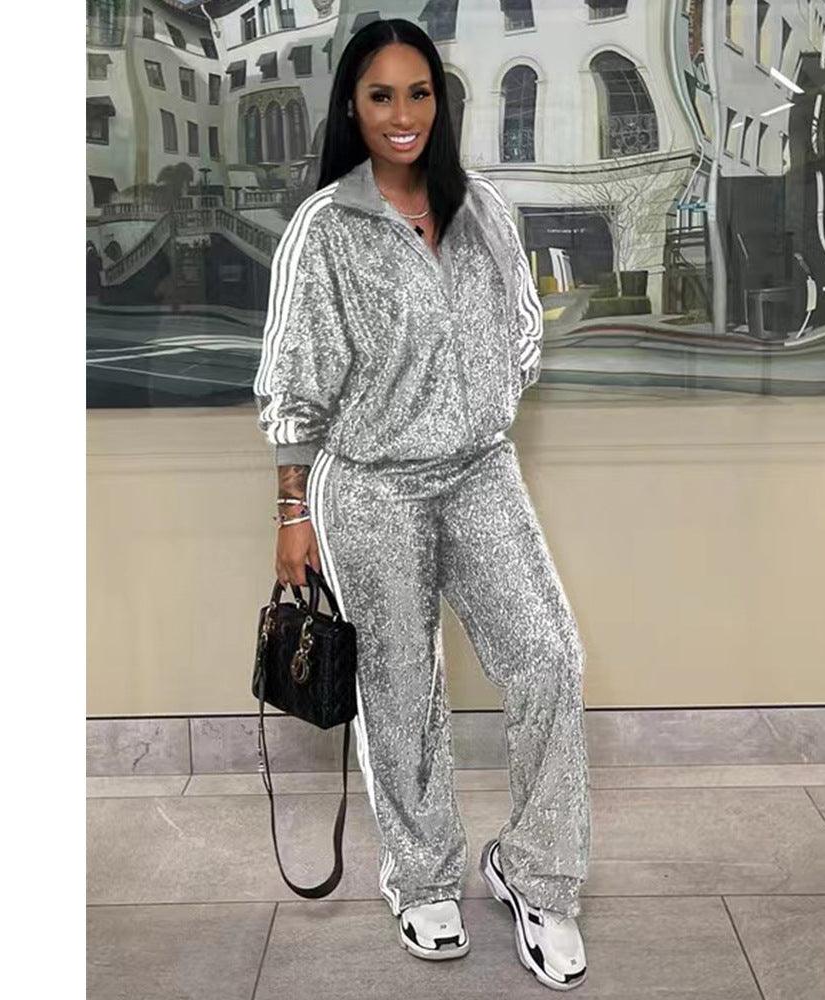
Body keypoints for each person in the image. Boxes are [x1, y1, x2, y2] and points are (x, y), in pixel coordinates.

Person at [252, 18, 590, 992]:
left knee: (549, 657)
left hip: (480, 469)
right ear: (353, 110)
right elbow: (295, 378)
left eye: (418, 93)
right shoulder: (327, 229)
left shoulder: (481, 208)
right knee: (399, 688)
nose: (402, 114)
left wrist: (484, 396)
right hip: (371, 485)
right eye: (380, 96)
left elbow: (522, 325)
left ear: (439, 102)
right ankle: (424, 876)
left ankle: (535, 873)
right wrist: (292, 513)